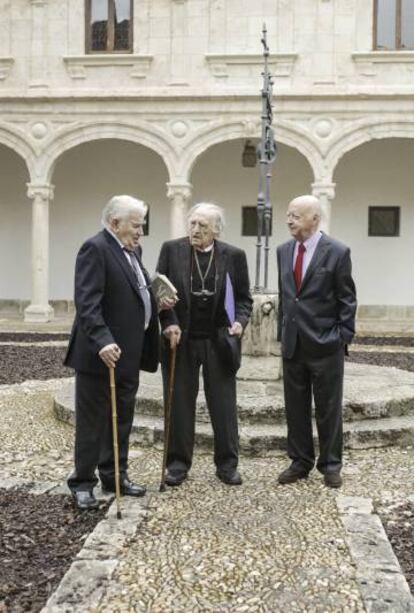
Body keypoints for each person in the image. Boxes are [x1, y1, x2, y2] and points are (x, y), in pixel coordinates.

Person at [65, 195, 174, 510]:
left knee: (122, 418)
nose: (141, 231)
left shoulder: (133, 250)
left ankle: (114, 475)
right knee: (92, 421)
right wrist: (102, 340)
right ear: (115, 223)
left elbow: (134, 290)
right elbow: (87, 303)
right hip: (100, 353)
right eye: (136, 225)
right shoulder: (95, 249)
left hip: (128, 352)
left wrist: (158, 301)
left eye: (142, 224)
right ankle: (82, 482)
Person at [157, 203, 253, 487]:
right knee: (179, 404)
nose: (195, 230)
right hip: (181, 340)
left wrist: (240, 322)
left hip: (218, 339)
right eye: (193, 224)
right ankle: (177, 464)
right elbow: (159, 290)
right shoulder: (171, 250)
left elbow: (245, 300)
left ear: (216, 230)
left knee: (223, 406)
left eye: (203, 226)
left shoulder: (234, 256)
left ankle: (227, 465)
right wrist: (168, 321)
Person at [276, 195, 357, 489]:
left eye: (296, 215)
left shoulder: (337, 251)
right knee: (295, 408)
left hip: (326, 345)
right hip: (293, 344)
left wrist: (341, 337)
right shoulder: (283, 251)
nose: (289, 220)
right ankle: (300, 462)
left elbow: (347, 298)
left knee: (328, 408)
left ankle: (331, 465)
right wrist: (281, 335)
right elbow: (286, 298)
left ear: (315, 219)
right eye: (288, 214)